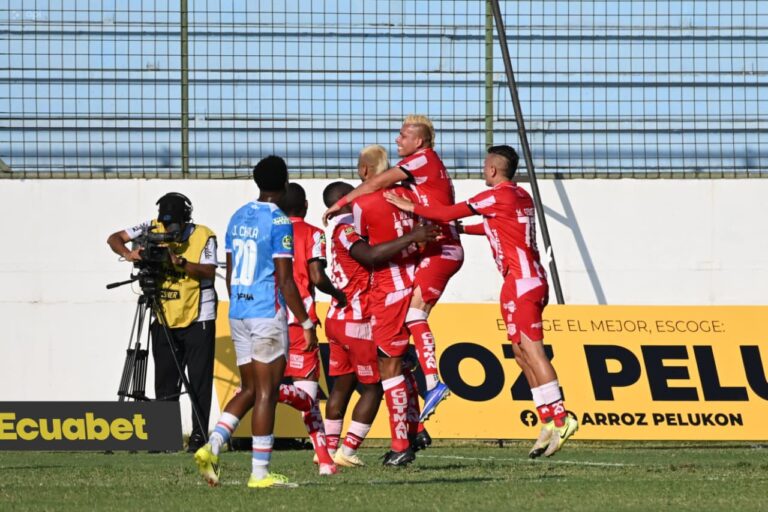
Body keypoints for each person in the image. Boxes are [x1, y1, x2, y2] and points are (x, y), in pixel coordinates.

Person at [385, 145, 579, 458]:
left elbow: (448, 212)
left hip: (521, 284)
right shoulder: (519, 196)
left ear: (492, 169)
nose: (482, 169)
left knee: (531, 349)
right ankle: (548, 420)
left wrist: (407, 205)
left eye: (484, 164)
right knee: (520, 353)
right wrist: (453, 229)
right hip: (528, 282)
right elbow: (486, 226)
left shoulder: (495, 195)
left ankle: (562, 416)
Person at [193, 156, 332, 490]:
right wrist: (306, 322)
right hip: (267, 313)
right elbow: (286, 281)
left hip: (238, 310)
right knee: (267, 392)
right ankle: (259, 473)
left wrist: (240, 302)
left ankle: (211, 446)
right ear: (284, 184)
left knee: (251, 389)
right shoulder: (280, 221)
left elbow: (228, 270)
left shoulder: (238, 215)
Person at [323, 117, 463, 422]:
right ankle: (415, 417)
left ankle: (433, 383)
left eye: (403, 135)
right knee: (401, 341)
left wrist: (341, 203)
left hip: (441, 250)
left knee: (414, 317)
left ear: (419, 142)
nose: (397, 139)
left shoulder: (421, 161)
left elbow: (375, 184)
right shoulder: (415, 177)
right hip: (435, 250)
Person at [322, 180, 438, 467]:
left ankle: (325, 451)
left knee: (345, 385)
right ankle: (348, 452)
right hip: (357, 318)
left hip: (337, 316)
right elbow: (371, 255)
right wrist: (413, 237)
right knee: (379, 382)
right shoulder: (348, 228)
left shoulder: (338, 228)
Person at [107, 192, 217, 453]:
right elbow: (114, 238)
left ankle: (199, 439)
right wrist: (129, 253)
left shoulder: (204, 235)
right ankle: (163, 438)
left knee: (198, 382)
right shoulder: (150, 228)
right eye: (164, 223)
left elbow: (209, 271)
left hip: (198, 314)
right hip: (162, 312)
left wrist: (179, 262)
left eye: (173, 224)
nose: (167, 230)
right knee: (165, 380)